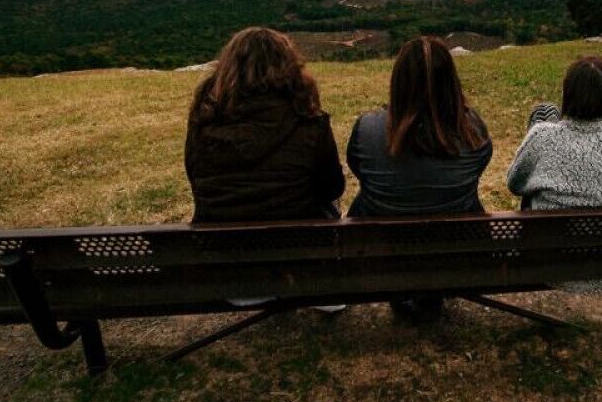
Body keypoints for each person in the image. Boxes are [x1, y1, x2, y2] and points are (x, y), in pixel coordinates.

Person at [346, 35, 493, 320]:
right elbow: (478, 169)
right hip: (456, 256)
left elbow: (358, 169)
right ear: (450, 81)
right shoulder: (473, 130)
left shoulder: (367, 129)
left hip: (381, 254)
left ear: (398, 81)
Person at [507, 57, 602, 291]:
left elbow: (515, 184)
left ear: (568, 95)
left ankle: (544, 117)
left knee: (541, 123)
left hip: (552, 265)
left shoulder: (543, 137)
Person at [185, 27, 345, 223]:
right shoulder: (310, 124)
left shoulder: (203, 124)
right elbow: (332, 188)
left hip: (215, 240)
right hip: (299, 239)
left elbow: (195, 180)